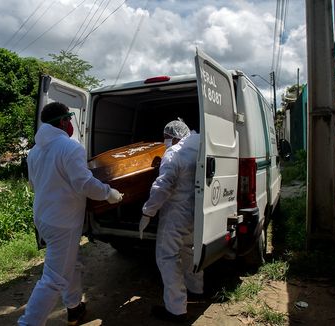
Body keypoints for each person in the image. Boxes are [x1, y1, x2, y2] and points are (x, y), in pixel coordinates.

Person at [18, 102, 123, 326]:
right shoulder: (70, 147)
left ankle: (74, 307)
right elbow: (84, 184)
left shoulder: (34, 151)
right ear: (64, 121)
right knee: (53, 279)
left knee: (70, 262)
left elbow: (34, 183)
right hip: (63, 222)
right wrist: (108, 193)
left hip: (43, 218)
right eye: (70, 120)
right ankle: (28, 323)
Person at [139, 119, 204, 323]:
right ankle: (196, 289)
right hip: (198, 210)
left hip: (175, 214)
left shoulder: (174, 153)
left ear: (174, 136)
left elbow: (162, 186)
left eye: (166, 138)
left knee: (167, 258)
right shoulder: (201, 143)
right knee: (189, 251)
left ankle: (176, 310)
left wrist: (147, 212)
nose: (165, 142)